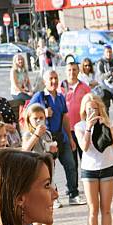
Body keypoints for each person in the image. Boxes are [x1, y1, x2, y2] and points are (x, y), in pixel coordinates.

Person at [29, 69, 85, 205]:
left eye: (55, 78)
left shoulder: (60, 97)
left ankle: (73, 194)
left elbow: (65, 118)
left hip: (62, 137)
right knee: (48, 170)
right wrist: (43, 112)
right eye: (50, 79)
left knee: (71, 165)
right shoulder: (39, 96)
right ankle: (52, 197)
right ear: (45, 81)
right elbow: (28, 114)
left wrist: (71, 138)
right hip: (46, 139)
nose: (53, 81)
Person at [75, 93, 113, 225]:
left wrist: (106, 126)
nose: (92, 111)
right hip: (89, 170)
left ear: (100, 108)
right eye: (89, 109)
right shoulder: (80, 126)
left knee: (106, 209)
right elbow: (84, 147)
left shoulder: (108, 122)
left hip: (107, 167)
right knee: (93, 209)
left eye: (95, 108)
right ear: (84, 111)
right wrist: (88, 127)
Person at [22, 103, 67, 225]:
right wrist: (36, 135)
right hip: (35, 182)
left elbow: (49, 154)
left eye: (42, 118)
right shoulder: (28, 135)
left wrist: (53, 152)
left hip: (49, 178)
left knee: (48, 213)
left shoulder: (47, 133)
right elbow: (24, 151)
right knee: (38, 215)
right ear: (29, 120)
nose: (39, 121)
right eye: (36, 119)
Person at [60, 62, 91, 174]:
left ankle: (89, 183)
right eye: (69, 70)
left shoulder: (85, 87)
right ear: (65, 72)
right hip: (67, 129)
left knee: (86, 158)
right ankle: (73, 189)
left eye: (74, 69)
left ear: (78, 71)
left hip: (82, 128)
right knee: (72, 163)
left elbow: (91, 105)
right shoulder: (60, 88)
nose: (72, 72)